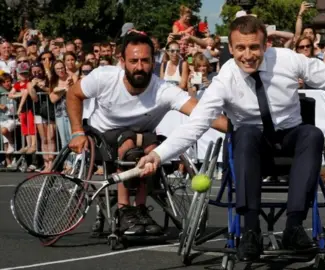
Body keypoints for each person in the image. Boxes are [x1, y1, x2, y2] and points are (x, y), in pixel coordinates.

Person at [136, 16, 325, 261]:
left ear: (266, 45)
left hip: (290, 138)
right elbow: (196, 124)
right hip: (251, 146)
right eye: (240, 48)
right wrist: (158, 154)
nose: (248, 56)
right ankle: (250, 231)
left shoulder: (289, 60)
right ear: (232, 48)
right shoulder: (225, 77)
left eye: (254, 47)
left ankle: (294, 226)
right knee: (246, 132)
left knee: (313, 133)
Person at [66, 32, 227, 236]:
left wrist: (239, 129)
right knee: (129, 143)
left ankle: (140, 209)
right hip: (102, 137)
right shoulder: (103, 77)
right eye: (133, 61)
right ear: (122, 61)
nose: (139, 67)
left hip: (141, 139)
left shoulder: (162, 90)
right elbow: (73, 94)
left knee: (152, 147)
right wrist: (76, 132)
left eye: (145, 60)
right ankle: (124, 210)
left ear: (153, 61)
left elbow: (204, 113)